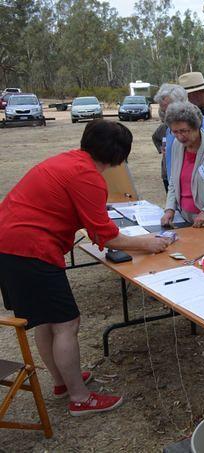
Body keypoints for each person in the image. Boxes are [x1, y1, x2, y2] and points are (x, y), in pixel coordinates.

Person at [0, 120, 172, 416]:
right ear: (119, 155)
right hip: (31, 249)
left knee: (44, 321)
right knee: (67, 324)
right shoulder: (88, 175)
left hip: (9, 245)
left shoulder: (69, 160)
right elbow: (106, 236)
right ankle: (80, 398)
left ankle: (61, 382)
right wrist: (148, 243)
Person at [153, 83, 204, 189]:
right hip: (177, 192)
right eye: (163, 111)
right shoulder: (170, 128)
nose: (165, 115)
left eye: (168, 110)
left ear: (183, 103)